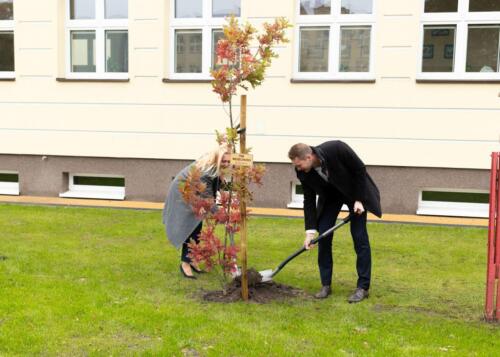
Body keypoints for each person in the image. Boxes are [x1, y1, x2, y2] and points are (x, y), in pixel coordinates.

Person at [288, 141, 382, 302]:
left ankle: (363, 287)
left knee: (359, 238)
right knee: (324, 236)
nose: (298, 168)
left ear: (309, 157)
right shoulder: (303, 172)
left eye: (299, 164)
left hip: (354, 194)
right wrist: (310, 232)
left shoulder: (337, 149)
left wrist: (359, 199)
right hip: (330, 198)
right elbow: (308, 200)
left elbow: (360, 169)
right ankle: (326, 285)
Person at [163, 144, 232, 279]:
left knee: (197, 227)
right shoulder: (206, 171)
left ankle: (192, 260)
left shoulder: (213, 168)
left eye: (229, 161)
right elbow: (208, 199)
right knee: (189, 227)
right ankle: (185, 264)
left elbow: (215, 187)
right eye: (223, 161)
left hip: (194, 193)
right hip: (182, 194)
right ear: (217, 160)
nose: (226, 164)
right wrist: (223, 217)